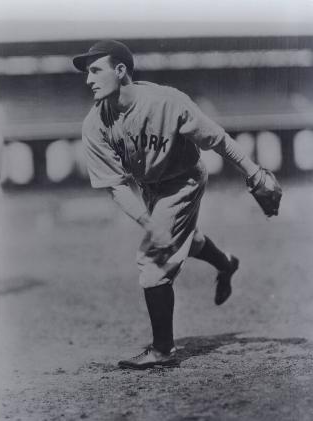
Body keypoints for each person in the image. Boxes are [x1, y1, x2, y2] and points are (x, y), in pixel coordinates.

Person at [72, 40, 277, 370]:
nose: (88, 79)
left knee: (153, 259)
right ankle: (225, 263)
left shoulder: (167, 102)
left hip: (185, 178)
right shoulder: (95, 125)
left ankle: (163, 350)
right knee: (183, 240)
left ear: (120, 70)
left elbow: (218, 140)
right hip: (150, 187)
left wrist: (253, 173)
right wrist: (147, 220)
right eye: (86, 73)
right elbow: (116, 186)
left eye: (96, 70)